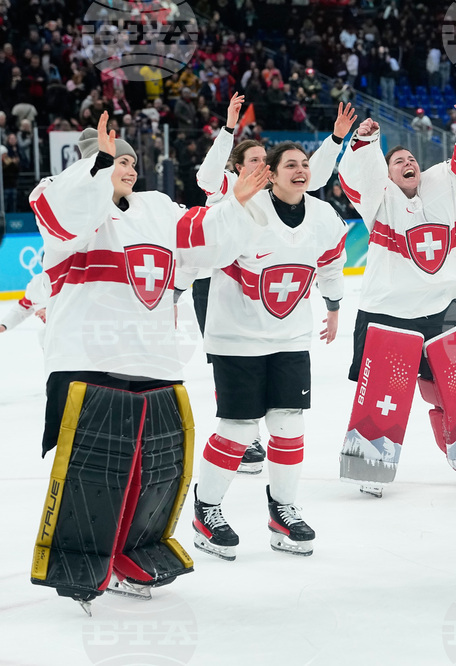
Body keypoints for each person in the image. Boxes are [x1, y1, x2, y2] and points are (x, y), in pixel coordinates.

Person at [28, 112, 268, 612]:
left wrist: (235, 205)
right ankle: (84, 554)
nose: (129, 165)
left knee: (152, 468)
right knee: (97, 473)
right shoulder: (60, 196)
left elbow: (202, 239)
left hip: (154, 360)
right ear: (93, 161)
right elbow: (64, 215)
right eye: (117, 158)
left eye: (132, 159)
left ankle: (133, 549)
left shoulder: (158, 208)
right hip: (88, 357)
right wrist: (96, 164)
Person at [336, 102, 456, 498]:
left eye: (411, 157)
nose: (407, 162)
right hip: (388, 312)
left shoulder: (445, 186)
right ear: (386, 172)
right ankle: (370, 461)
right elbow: (355, 181)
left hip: (442, 307)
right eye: (397, 160)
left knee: (451, 391)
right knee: (384, 395)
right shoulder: (378, 198)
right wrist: (365, 142)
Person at [192, 137, 349, 561]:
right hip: (236, 339)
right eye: (290, 165)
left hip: (290, 338)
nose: (300, 170)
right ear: (272, 174)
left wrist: (333, 306)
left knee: (288, 424)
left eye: (304, 164)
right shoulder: (247, 208)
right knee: (240, 431)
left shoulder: (323, 215)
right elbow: (204, 253)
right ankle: (206, 509)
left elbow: (333, 262)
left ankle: (283, 510)